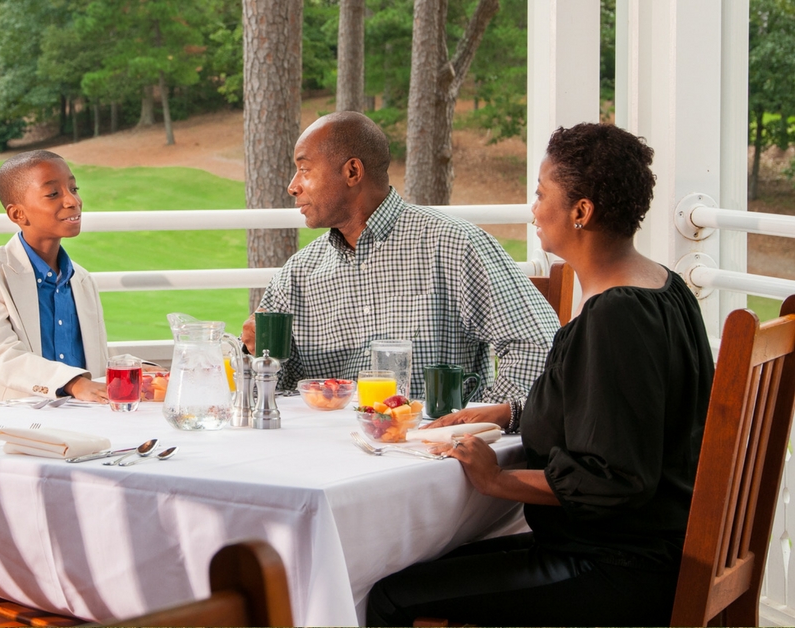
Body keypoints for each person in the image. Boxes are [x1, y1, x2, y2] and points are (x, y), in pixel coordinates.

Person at [365, 123, 715, 626]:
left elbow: (615, 480)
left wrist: (496, 479)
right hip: (650, 549)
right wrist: (513, 412)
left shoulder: (615, 315)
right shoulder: (666, 287)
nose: (532, 208)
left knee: (391, 597)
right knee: (414, 572)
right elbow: (631, 411)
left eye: (540, 193)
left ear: (581, 212)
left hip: (615, 567)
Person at [242, 111, 557, 401]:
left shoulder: (453, 245)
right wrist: (258, 356)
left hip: (434, 451)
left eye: (304, 169)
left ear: (352, 171)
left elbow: (538, 346)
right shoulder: (297, 275)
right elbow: (276, 393)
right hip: (330, 451)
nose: (292, 186)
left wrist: (482, 415)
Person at [0, 150, 109, 405]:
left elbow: (95, 360)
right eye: (53, 194)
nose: (73, 201)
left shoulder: (82, 279)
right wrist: (72, 383)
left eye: (74, 188)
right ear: (18, 215)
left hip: (74, 415)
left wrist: (136, 370)